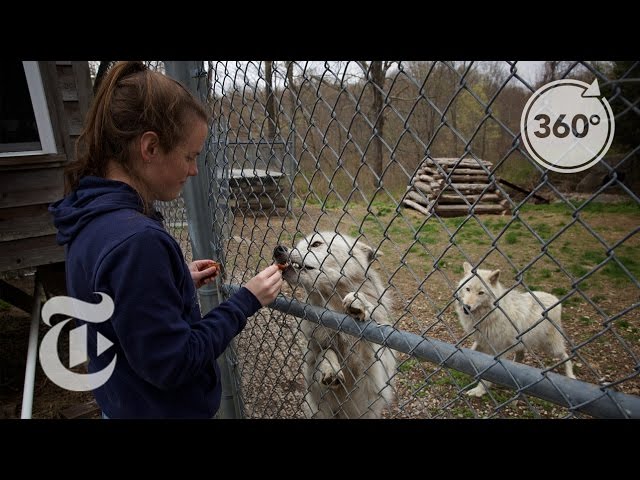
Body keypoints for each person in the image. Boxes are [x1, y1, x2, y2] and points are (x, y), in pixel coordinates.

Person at [49, 61, 283, 419]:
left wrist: (172, 279)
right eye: (189, 156)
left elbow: (113, 304)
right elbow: (172, 364)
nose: (193, 169)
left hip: (123, 402)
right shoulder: (137, 242)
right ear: (150, 147)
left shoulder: (88, 215)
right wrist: (245, 302)